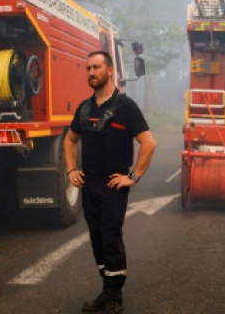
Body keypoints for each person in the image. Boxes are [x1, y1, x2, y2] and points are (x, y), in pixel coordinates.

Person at [64, 51, 157, 314]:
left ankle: (114, 294)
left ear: (110, 71)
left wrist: (133, 177)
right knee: (96, 238)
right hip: (89, 183)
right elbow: (70, 140)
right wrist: (72, 169)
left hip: (113, 184)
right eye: (88, 68)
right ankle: (107, 289)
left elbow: (148, 143)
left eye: (96, 67)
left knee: (110, 236)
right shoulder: (85, 108)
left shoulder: (126, 106)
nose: (91, 73)